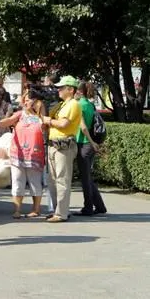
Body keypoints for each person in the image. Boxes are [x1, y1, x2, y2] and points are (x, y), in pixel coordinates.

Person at [0, 90, 47, 218]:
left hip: (35, 154)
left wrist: (40, 109)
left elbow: (45, 127)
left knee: (34, 182)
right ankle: (17, 210)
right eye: (24, 100)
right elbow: (8, 121)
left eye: (28, 100)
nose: (25, 102)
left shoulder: (41, 117)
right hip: (18, 154)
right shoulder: (19, 114)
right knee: (17, 181)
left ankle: (36, 209)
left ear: (36, 102)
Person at [42, 75, 82, 223]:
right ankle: (57, 210)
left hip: (64, 146)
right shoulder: (62, 105)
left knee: (62, 180)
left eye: (61, 88)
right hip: (54, 145)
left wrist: (49, 121)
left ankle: (61, 213)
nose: (58, 90)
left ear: (70, 89)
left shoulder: (73, 104)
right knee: (53, 181)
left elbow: (63, 124)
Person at [74, 81, 107, 216]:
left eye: (75, 90)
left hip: (84, 143)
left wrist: (92, 142)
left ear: (79, 91)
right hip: (90, 145)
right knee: (87, 177)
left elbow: (83, 127)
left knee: (85, 179)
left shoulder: (79, 105)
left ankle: (88, 208)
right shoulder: (90, 104)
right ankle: (100, 206)